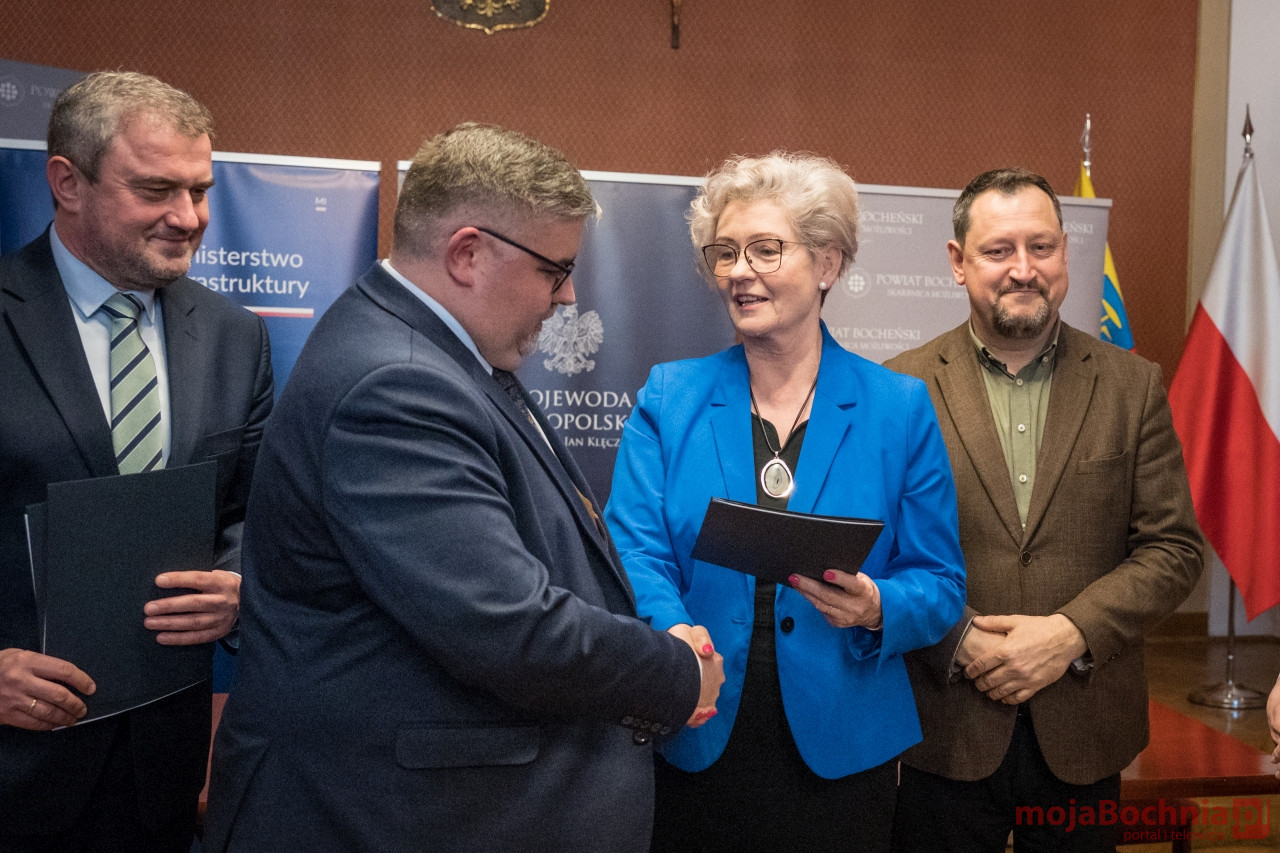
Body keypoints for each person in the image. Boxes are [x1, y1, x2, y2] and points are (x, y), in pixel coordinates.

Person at [202, 122, 724, 853]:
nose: (569, 295)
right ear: (468, 253)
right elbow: (508, 627)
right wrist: (676, 674)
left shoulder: (442, 355)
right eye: (555, 270)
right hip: (391, 817)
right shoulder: (398, 383)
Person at [604, 151, 967, 852]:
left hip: (844, 739)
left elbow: (941, 582)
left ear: (827, 263)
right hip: (696, 721)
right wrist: (675, 633)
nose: (739, 271)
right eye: (725, 252)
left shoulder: (898, 408)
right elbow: (634, 549)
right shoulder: (669, 396)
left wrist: (879, 606)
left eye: (765, 249)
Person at [885, 168, 1204, 852]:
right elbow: (878, 554)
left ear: (1065, 253)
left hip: (1086, 729)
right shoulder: (898, 388)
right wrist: (960, 642)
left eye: (1042, 247)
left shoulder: (1132, 386)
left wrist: (1069, 633)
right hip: (943, 729)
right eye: (998, 250)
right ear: (958, 262)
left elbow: (1174, 549)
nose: (1023, 269)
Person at [0, 72, 273, 852]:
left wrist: (240, 584)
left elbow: (256, 512)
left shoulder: (234, 336)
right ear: (67, 183)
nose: (188, 217)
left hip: (159, 777)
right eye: (156, 189)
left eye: (200, 190)